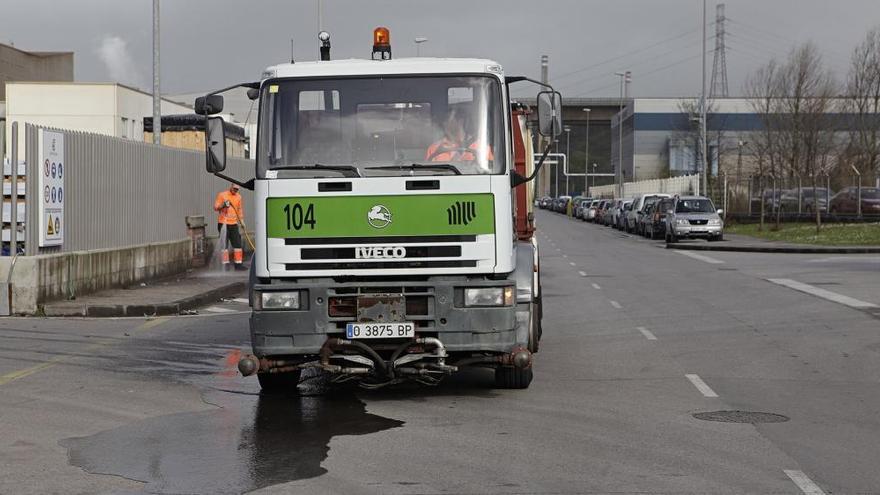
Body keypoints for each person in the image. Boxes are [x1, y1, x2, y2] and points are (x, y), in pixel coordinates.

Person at [425, 108, 494, 163]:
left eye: (449, 119)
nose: (445, 123)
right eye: (444, 120)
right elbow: (428, 172)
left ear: (461, 121)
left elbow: (489, 170)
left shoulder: (481, 146)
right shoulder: (434, 148)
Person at [214, 183, 245, 270]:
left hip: (234, 224)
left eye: (237, 189)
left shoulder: (239, 197)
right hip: (223, 223)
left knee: (238, 244)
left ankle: (238, 265)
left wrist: (242, 222)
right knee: (224, 245)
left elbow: (239, 210)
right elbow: (216, 207)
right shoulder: (222, 195)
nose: (235, 190)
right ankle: (225, 265)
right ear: (231, 186)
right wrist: (223, 205)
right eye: (234, 188)